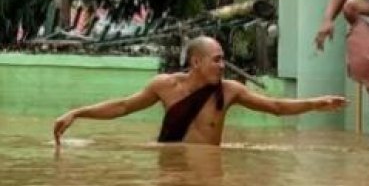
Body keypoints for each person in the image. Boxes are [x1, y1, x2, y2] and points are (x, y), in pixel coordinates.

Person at [52, 36, 346, 146]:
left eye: (223, 59)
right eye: (217, 60)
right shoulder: (165, 86)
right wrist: (77, 113)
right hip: (171, 169)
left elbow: (276, 107)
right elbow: (123, 107)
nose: (223, 65)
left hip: (209, 173)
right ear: (196, 62)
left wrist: (315, 103)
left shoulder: (230, 91)